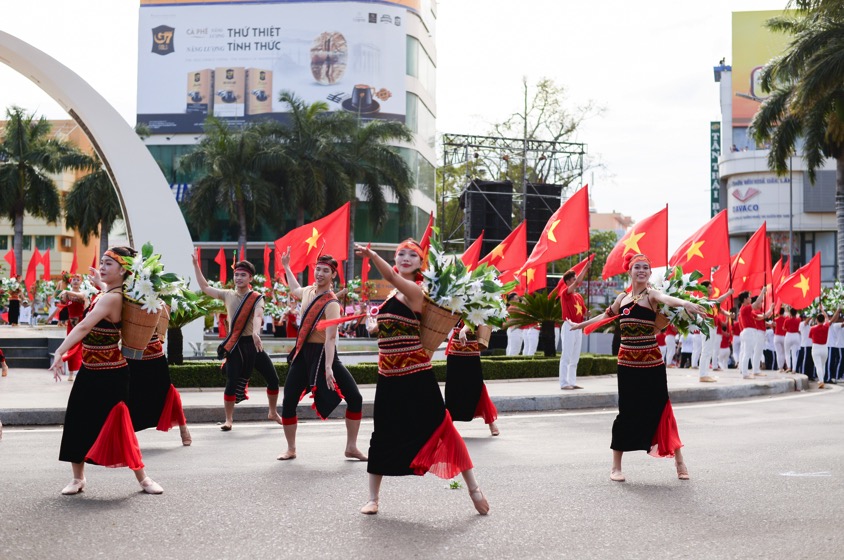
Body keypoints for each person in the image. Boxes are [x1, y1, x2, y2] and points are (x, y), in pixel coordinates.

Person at [354, 240, 489, 516]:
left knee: (443, 429)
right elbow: (387, 328)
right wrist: (372, 326)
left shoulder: (416, 291)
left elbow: (390, 274)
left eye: (412, 255)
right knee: (382, 435)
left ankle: (474, 490)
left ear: (420, 264)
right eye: (400, 253)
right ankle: (373, 499)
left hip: (416, 376)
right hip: (388, 375)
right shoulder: (393, 295)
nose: (405, 258)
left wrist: (371, 256)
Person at [570, 253, 706, 483]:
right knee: (626, 412)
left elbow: (666, 298)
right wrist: (579, 325)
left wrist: (685, 303)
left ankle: (679, 460)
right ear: (630, 272)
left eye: (645, 267)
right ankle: (616, 467)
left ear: (650, 273)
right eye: (637, 267)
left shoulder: (651, 295)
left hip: (652, 362)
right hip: (626, 364)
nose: (641, 271)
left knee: (661, 410)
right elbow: (605, 315)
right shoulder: (622, 298)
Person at [48, 247, 163, 496]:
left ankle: (143, 478)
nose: (102, 266)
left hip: (111, 373)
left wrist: (59, 351)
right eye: (102, 262)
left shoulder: (112, 297)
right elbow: (101, 299)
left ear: (123, 270)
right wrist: (101, 284)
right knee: (77, 421)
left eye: (109, 264)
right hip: (91, 369)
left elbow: (84, 327)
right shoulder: (106, 293)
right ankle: (78, 479)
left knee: (119, 426)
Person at [276, 248, 366, 461]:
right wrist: (287, 266)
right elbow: (295, 289)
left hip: (325, 355)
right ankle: (291, 448)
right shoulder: (308, 291)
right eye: (318, 269)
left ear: (333, 274)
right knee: (289, 400)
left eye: (325, 270)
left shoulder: (332, 303)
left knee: (355, 398)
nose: (320, 274)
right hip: (303, 354)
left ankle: (351, 446)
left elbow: (331, 339)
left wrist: (328, 367)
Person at [192, 255, 282, 431]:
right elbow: (204, 287)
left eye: (243, 275)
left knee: (273, 379)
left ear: (250, 278)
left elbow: (258, 316)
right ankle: (228, 419)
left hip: (254, 344)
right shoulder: (227, 295)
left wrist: (256, 333)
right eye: (237, 274)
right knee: (231, 382)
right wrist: (196, 265)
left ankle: (272, 412)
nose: (239, 278)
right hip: (235, 345)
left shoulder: (257, 298)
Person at [126, 320, 192, 446]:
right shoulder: (121, 300)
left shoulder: (157, 301)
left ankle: (183, 428)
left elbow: (164, 316)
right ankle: (127, 437)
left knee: (167, 391)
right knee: (130, 393)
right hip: (131, 350)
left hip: (153, 352)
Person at [445, 321, 499, 436]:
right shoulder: (451, 303)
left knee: (478, 385)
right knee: (452, 387)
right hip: (455, 348)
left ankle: (490, 421)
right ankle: (448, 424)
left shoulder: (477, 302)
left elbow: (473, 318)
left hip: (471, 348)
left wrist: (464, 330)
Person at [559, 263, 590, 390]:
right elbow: (578, 283)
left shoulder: (579, 297)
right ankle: (563, 383)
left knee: (575, 356)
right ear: (568, 282)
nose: (576, 280)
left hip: (578, 327)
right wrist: (586, 268)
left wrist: (588, 314)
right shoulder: (565, 294)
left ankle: (571, 381)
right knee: (566, 355)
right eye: (573, 278)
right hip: (569, 326)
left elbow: (583, 312)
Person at [697, 283, 732, 383]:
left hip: (712, 327)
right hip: (706, 326)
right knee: (706, 350)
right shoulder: (702, 300)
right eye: (709, 287)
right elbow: (717, 301)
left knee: (709, 351)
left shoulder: (711, 301)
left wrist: (730, 315)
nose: (712, 289)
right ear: (704, 289)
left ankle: (705, 374)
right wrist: (728, 294)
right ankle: (702, 375)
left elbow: (721, 310)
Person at [58, 274, 89, 382]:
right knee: (71, 346)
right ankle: (71, 373)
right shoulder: (67, 295)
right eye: (74, 280)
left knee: (82, 347)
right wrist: (62, 293)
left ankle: (82, 371)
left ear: (81, 282)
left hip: (82, 324)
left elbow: (81, 296)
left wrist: (66, 291)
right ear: (70, 282)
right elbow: (60, 302)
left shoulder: (84, 292)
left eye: (78, 280)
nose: (75, 282)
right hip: (71, 324)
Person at [737, 289, 770, 379]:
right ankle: (745, 373)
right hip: (749, 332)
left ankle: (746, 372)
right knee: (747, 353)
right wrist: (762, 292)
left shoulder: (748, 310)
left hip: (750, 332)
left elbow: (760, 317)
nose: (750, 299)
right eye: (749, 297)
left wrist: (770, 310)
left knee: (747, 353)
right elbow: (755, 304)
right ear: (745, 299)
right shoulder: (745, 308)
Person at [809, 310, 833, 388]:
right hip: (824, 347)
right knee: (823, 365)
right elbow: (827, 319)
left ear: (816, 320)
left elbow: (810, 337)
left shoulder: (813, 328)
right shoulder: (826, 326)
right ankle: (821, 380)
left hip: (816, 347)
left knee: (818, 365)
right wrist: (822, 310)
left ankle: (821, 381)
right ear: (823, 320)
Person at [783, 307, 801, 373]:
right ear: (796, 313)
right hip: (796, 336)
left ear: (790, 313)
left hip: (788, 335)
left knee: (787, 352)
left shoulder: (787, 320)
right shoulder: (798, 320)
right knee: (794, 354)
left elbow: (784, 328)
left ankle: (789, 367)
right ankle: (794, 369)